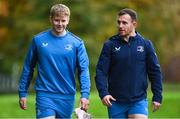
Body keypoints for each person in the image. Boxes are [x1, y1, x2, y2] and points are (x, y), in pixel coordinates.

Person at [18, 4, 90, 119]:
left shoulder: (77, 43)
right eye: (57, 20)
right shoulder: (38, 40)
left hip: (67, 96)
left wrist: (85, 94)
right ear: (50, 19)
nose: (60, 24)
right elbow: (28, 67)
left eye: (63, 20)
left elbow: (84, 70)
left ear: (68, 20)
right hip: (45, 94)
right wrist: (23, 92)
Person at [95, 8, 163, 119]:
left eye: (124, 23)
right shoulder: (109, 45)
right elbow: (101, 72)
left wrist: (157, 96)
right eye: (118, 22)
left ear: (134, 24)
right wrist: (104, 93)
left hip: (138, 100)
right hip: (115, 101)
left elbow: (155, 72)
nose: (120, 25)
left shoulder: (146, 45)